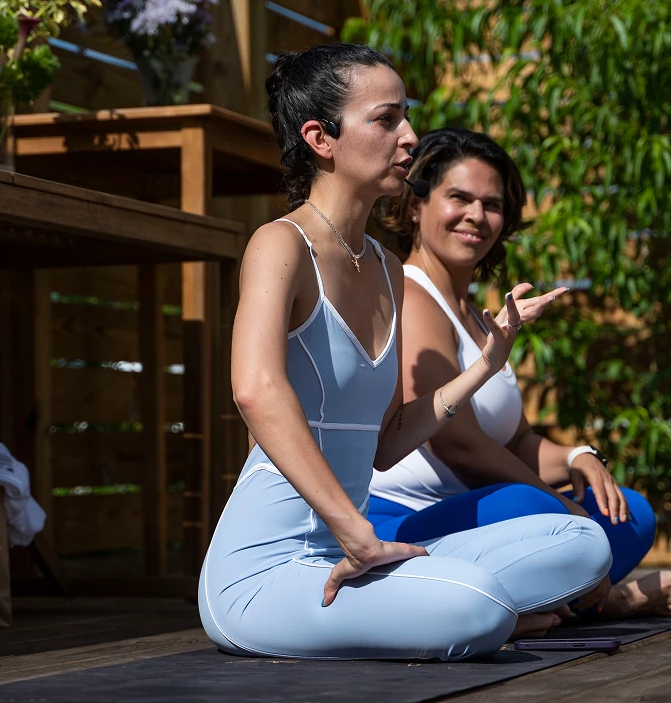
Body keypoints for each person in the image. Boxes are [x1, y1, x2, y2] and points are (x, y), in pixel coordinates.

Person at [198, 43, 613, 661]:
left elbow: (389, 439)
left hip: (358, 556)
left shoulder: (388, 268)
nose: (410, 137)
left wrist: (484, 367)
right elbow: (255, 391)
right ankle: (472, 613)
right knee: (475, 602)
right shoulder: (280, 244)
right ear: (321, 137)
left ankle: (455, 612)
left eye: (406, 117)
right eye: (386, 119)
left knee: (582, 543)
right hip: (267, 572)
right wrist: (355, 535)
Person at [369, 127, 671, 617]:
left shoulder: (479, 316)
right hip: (406, 526)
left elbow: (518, 441)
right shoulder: (412, 293)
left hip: (475, 517)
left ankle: (557, 604)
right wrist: (558, 504)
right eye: (458, 197)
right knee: (534, 509)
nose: (476, 216)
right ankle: (601, 603)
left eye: (492, 204)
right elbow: (457, 445)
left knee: (627, 513)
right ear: (416, 205)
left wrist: (576, 457)